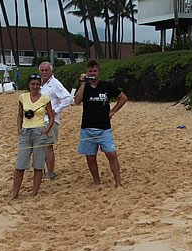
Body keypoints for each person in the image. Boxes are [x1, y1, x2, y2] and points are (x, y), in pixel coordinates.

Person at [75, 59, 128, 187]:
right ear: (87, 72)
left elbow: (123, 98)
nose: (92, 73)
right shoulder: (85, 87)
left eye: (95, 71)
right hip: (87, 127)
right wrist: (82, 83)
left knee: (111, 154)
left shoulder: (106, 86)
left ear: (99, 72)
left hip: (104, 128)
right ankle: (97, 182)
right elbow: (77, 101)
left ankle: (118, 183)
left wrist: (113, 111)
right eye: (90, 71)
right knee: (90, 157)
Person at [13, 74, 55, 199]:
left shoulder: (45, 99)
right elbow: (20, 115)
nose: (35, 86)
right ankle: (15, 193)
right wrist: (19, 129)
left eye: (37, 84)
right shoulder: (22, 97)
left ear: (40, 85)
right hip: (26, 132)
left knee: (38, 164)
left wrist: (46, 130)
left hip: (39, 132)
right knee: (20, 165)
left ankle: (34, 193)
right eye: (33, 84)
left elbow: (51, 117)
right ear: (29, 85)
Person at [38, 61, 73, 180]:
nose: (44, 72)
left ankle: (50, 172)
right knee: (39, 146)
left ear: (51, 71)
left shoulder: (55, 83)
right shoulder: (41, 84)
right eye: (42, 70)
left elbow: (68, 98)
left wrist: (55, 110)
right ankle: (41, 171)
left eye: (46, 70)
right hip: (38, 120)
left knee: (48, 146)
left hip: (50, 121)